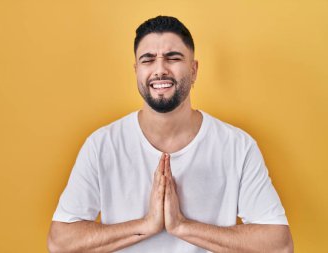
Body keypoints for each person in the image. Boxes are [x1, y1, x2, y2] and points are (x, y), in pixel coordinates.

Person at [47, 16, 293, 253]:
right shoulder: (102, 145)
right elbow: (60, 242)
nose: (160, 69)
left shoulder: (237, 146)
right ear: (136, 71)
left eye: (173, 58)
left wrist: (181, 226)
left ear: (194, 70)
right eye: (148, 59)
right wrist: (146, 225)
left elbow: (279, 246)